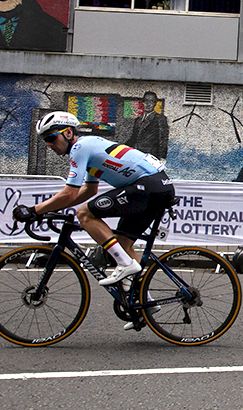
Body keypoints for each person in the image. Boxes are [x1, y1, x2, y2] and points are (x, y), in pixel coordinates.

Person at [13, 111, 175, 326]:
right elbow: (88, 191)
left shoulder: (80, 148)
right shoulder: (90, 148)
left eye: (51, 138)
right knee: (122, 245)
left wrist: (35, 210)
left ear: (68, 132)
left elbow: (70, 194)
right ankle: (147, 303)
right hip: (156, 188)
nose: (49, 145)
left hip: (147, 187)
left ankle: (126, 265)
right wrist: (49, 209)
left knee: (84, 213)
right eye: (45, 141)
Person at [128, 91, 169, 161]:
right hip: (137, 155)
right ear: (142, 103)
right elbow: (133, 139)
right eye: (146, 101)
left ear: (155, 104)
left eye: (151, 101)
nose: (148, 104)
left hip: (151, 157)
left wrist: (162, 157)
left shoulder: (160, 119)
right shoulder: (138, 119)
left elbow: (163, 139)